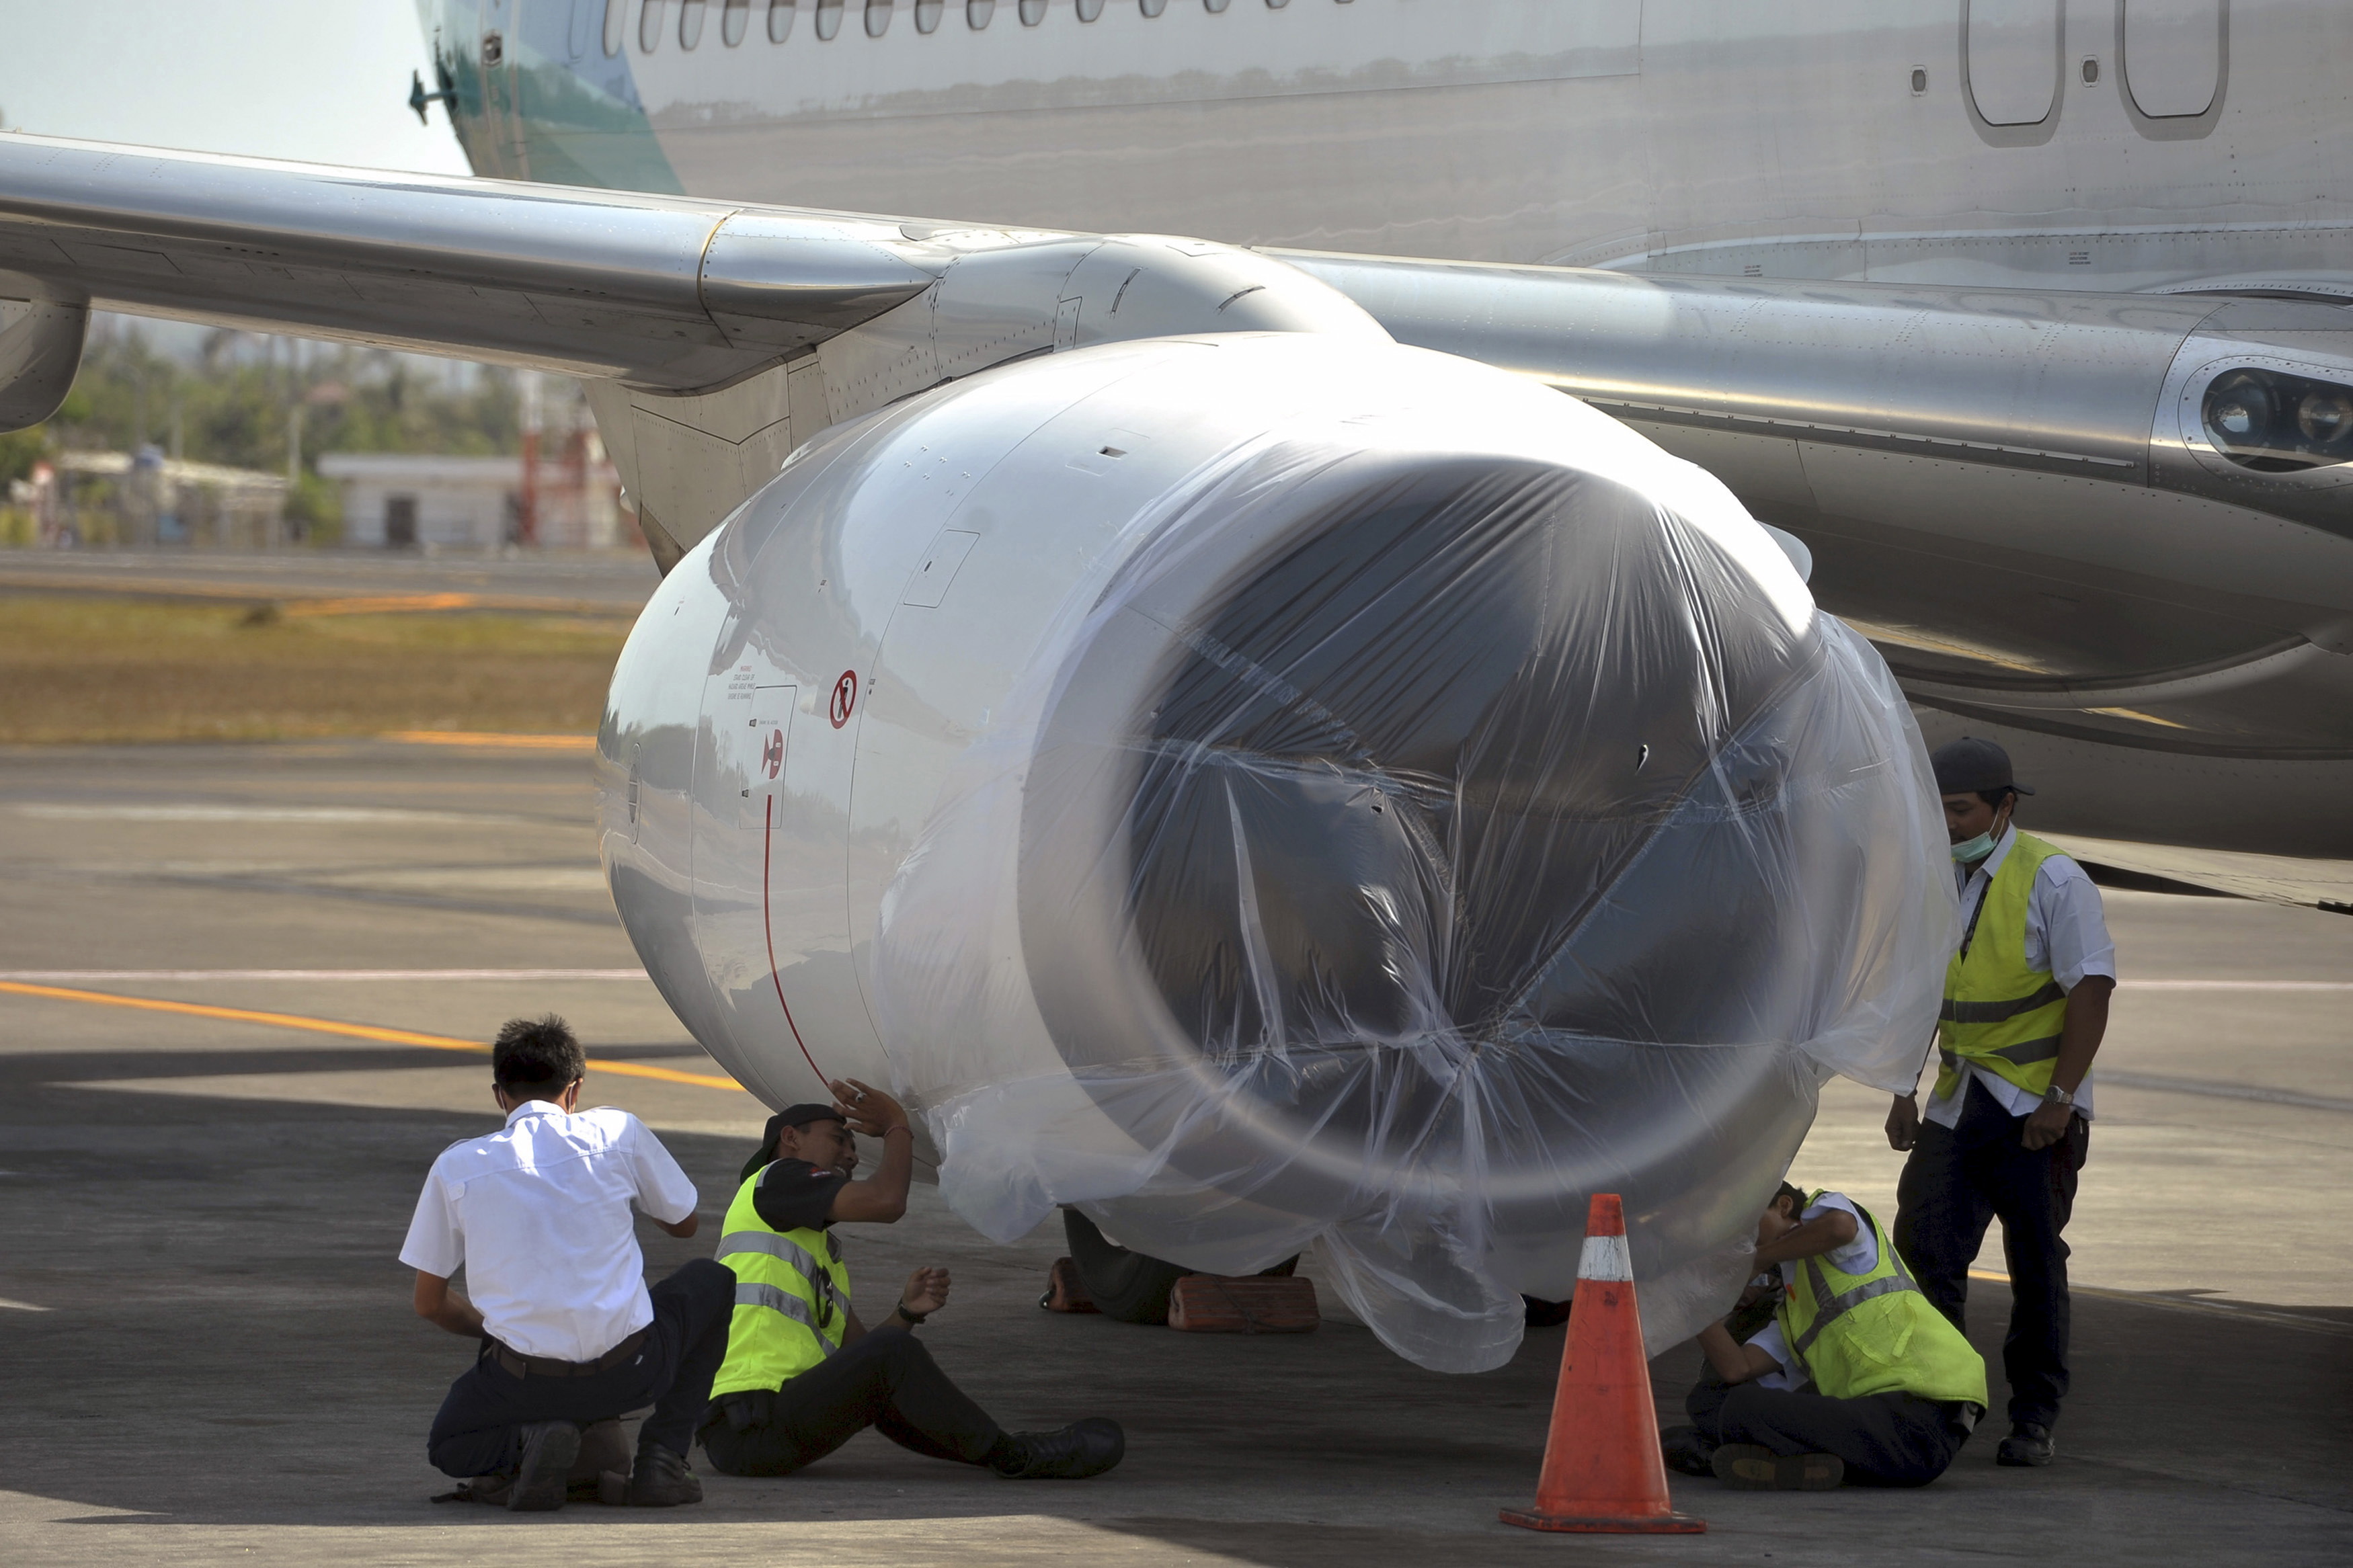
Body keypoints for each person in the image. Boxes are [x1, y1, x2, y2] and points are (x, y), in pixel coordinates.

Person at [701, 1082, 1125, 1481]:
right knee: (891, 1353)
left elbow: (865, 1356)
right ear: (791, 1139)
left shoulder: (813, 1256)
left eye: (853, 1146)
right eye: (838, 1139)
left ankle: (1003, 1453)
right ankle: (1013, 1456)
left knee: (889, 1356)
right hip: (746, 1426)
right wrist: (895, 1126)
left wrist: (906, 1312)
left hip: (767, 1427)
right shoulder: (776, 1178)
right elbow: (887, 1202)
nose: (850, 1156)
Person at [400, 1016, 734, 1511]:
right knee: (714, 1280)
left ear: (499, 1096)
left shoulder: (458, 1165)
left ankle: (530, 1442)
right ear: (576, 1089)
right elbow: (684, 1223)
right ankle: (662, 1459)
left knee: (449, 1445)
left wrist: (496, 1329)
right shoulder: (618, 1130)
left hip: (525, 1382)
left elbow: (429, 1304)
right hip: (631, 1370)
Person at [1888, 736, 2114, 1468]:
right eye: (1938, 808)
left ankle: (2032, 1413)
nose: (1946, 823)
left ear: (2003, 805)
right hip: (1957, 1100)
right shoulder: (1935, 875)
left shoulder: (2052, 878)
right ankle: (1941, 1401)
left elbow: (2090, 988)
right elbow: (1930, 985)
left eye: (1959, 809)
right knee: (1926, 1248)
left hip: (2030, 1108)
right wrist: (1903, 1084)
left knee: (2035, 1262)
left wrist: (2059, 1098)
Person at [1665, 1182, 1988, 1489]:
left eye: (1749, 1228)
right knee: (1706, 1410)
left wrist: (1758, 1259)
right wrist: (1695, 1304)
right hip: (1880, 1438)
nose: (1746, 1242)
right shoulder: (1796, 1311)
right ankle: (1802, 1465)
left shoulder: (1827, 1212)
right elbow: (1738, 1368)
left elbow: (1839, 1229)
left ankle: (1769, 1457)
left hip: (1925, 1414)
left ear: (1784, 1205)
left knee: (1741, 1409)